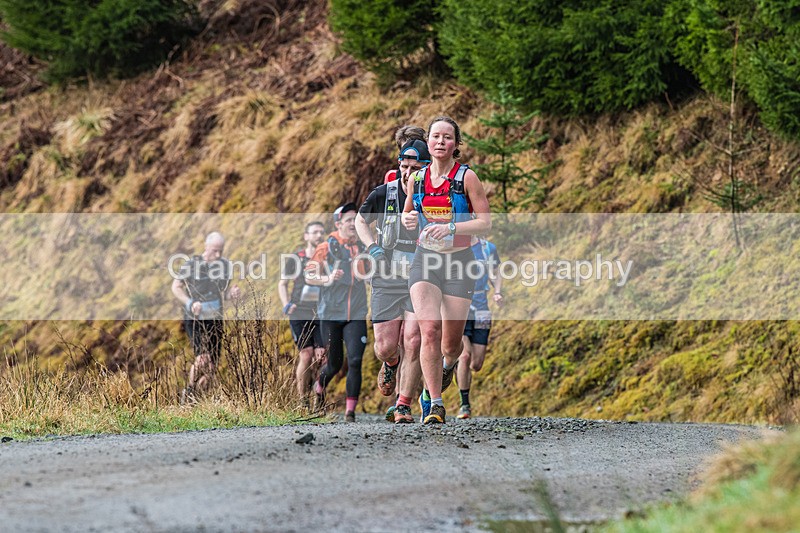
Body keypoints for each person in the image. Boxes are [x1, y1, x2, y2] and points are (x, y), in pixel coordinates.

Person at [402, 115, 491, 424]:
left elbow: (485, 222)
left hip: (459, 261)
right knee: (429, 329)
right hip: (425, 259)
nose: (441, 141)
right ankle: (435, 403)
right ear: (428, 142)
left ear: (456, 145)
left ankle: (448, 366)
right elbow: (408, 216)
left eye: (447, 137)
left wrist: (451, 227)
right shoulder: (417, 179)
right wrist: (410, 221)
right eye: (436, 136)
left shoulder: (467, 178)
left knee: (450, 346)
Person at [355, 139, 430, 423]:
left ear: (425, 168)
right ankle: (390, 362)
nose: (407, 172)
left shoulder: (431, 196)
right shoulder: (383, 193)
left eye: (413, 167)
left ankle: (403, 404)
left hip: (419, 276)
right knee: (386, 345)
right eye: (403, 166)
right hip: (386, 276)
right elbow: (361, 221)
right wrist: (372, 247)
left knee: (413, 339)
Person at [305, 203, 368, 423]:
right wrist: (328, 279)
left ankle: (350, 412)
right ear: (338, 223)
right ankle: (319, 387)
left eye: (355, 219)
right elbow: (309, 276)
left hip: (356, 313)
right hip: (331, 314)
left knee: (356, 359)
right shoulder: (326, 246)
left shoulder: (363, 244)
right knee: (334, 363)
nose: (352, 224)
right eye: (348, 220)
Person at [171, 231, 241, 402]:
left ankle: (197, 400)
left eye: (221, 251)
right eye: (215, 250)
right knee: (203, 358)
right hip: (195, 318)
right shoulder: (191, 264)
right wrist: (190, 303)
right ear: (206, 247)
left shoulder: (224, 266)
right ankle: (188, 392)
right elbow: (176, 287)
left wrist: (232, 294)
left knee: (212, 368)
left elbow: (223, 293)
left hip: (215, 318)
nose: (218, 254)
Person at [278, 221, 327, 409]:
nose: (319, 235)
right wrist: (286, 305)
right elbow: (282, 283)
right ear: (306, 236)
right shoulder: (296, 258)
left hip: (321, 311)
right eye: (314, 232)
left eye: (321, 232)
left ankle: (319, 395)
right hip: (299, 311)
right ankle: (302, 399)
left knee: (322, 356)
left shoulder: (327, 257)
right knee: (306, 354)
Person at [456, 237, 503, 419]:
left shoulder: (487, 248)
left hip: (482, 308)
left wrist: (497, 292)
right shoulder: (454, 244)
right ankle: (465, 405)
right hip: (460, 307)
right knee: (465, 355)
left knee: (476, 364)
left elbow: (495, 272)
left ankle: (454, 364)